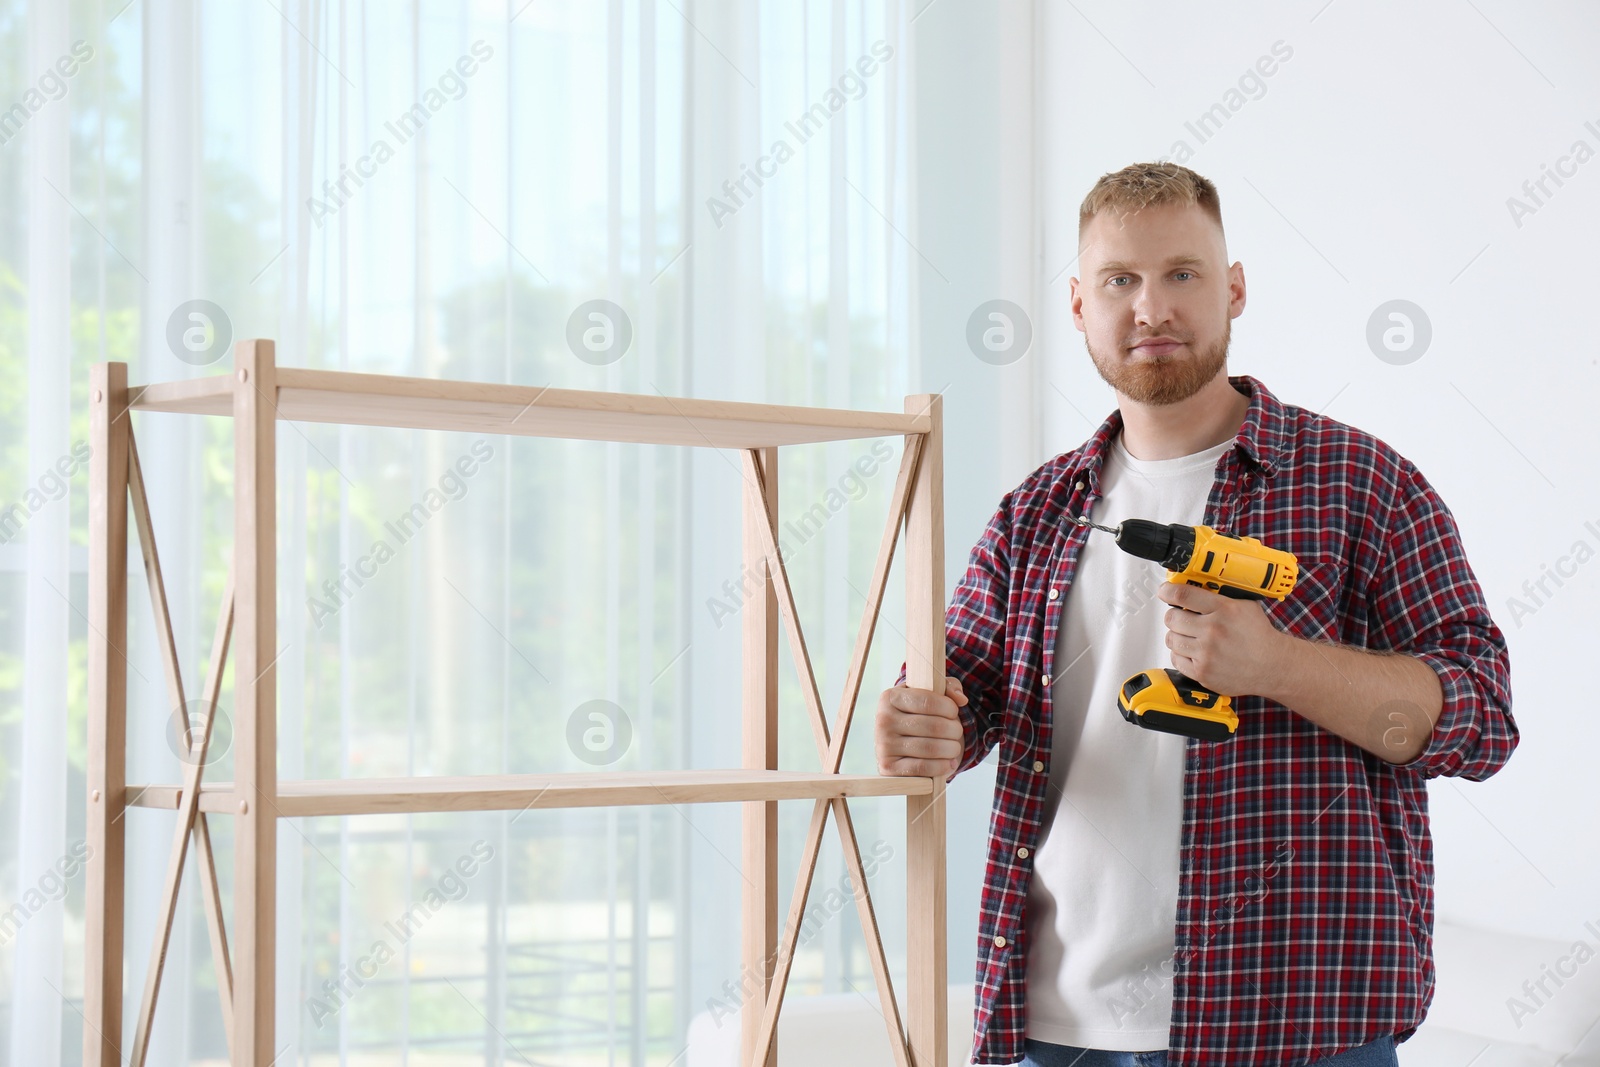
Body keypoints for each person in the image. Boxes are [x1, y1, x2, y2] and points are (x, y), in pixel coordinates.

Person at [877, 161, 1517, 1067]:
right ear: (1075, 304)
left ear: (1235, 289)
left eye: (1183, 274)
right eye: (1120, 280)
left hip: (1298, 1024)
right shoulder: (1033, 514)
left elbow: (1482, 718)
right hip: (1057, 1027)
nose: (1151, 308)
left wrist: (1275, 665)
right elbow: (961, 698)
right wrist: (922, 723)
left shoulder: (1363, 485)